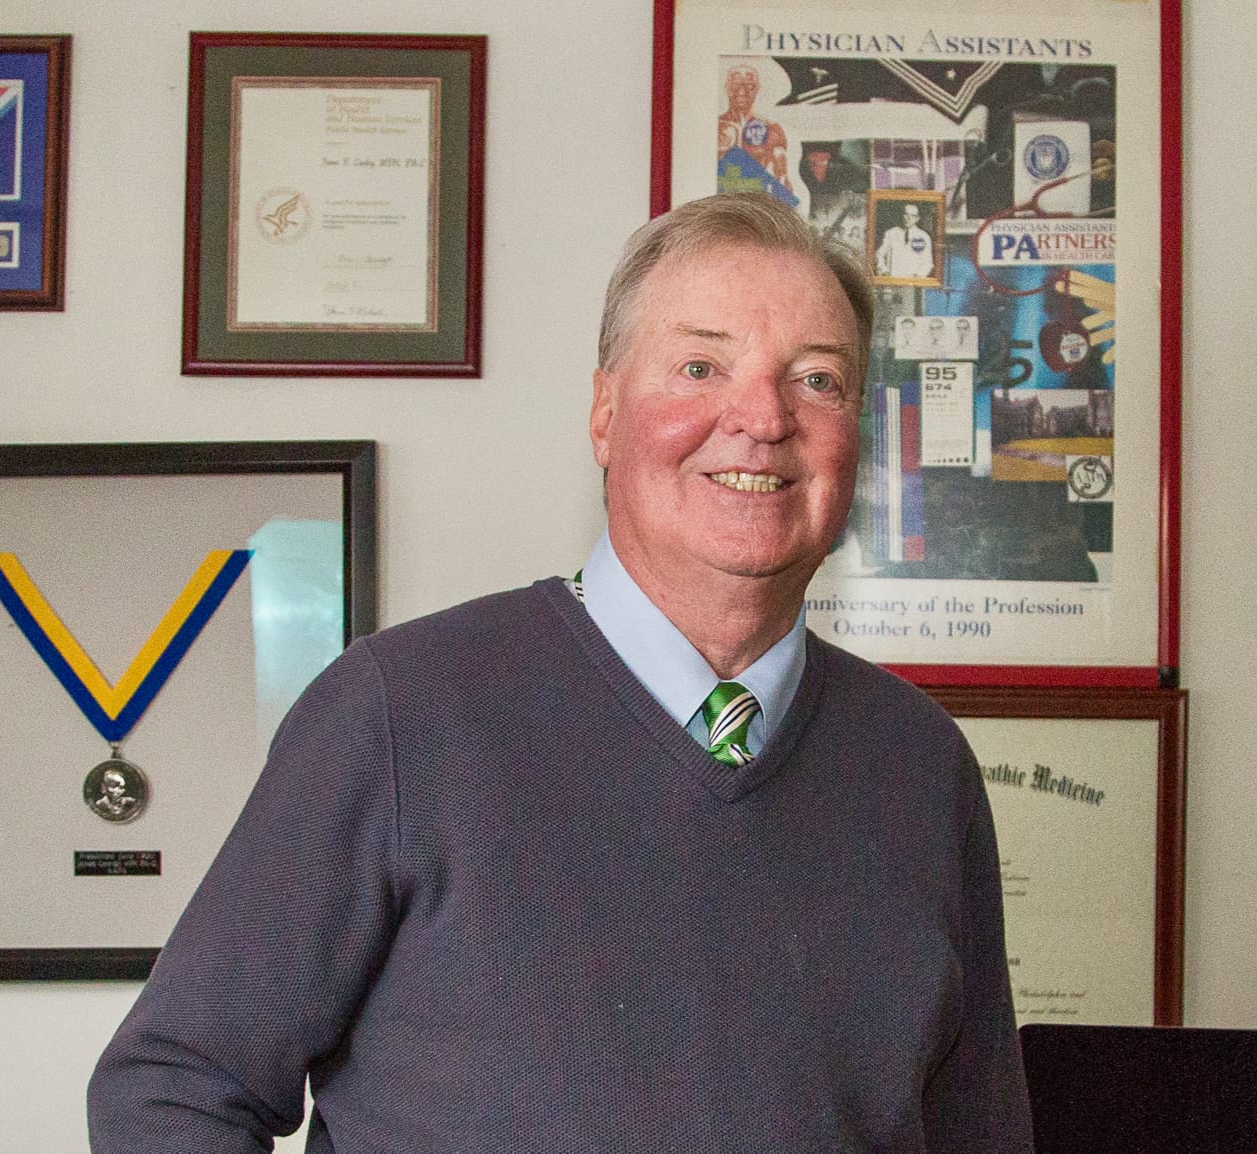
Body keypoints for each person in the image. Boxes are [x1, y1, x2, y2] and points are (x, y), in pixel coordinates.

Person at [88, 192, 1034, 1152]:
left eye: (818, 380)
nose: (762, 417)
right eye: (700, 366)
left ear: (854, 443)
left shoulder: (922, 766)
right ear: (604, 416)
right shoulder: (397, 716)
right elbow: (173, 1090)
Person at [878, 201, 938, 281]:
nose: (909, 218)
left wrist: (918, 277)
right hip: (892, 281)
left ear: (917, 218)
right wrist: (884, 271)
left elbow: (928, 263)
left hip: (913, 283)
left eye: (912, 216)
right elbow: (879, 254)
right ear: (902, 215)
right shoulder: (891, 233)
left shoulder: (924, 237)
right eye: (906, 214)